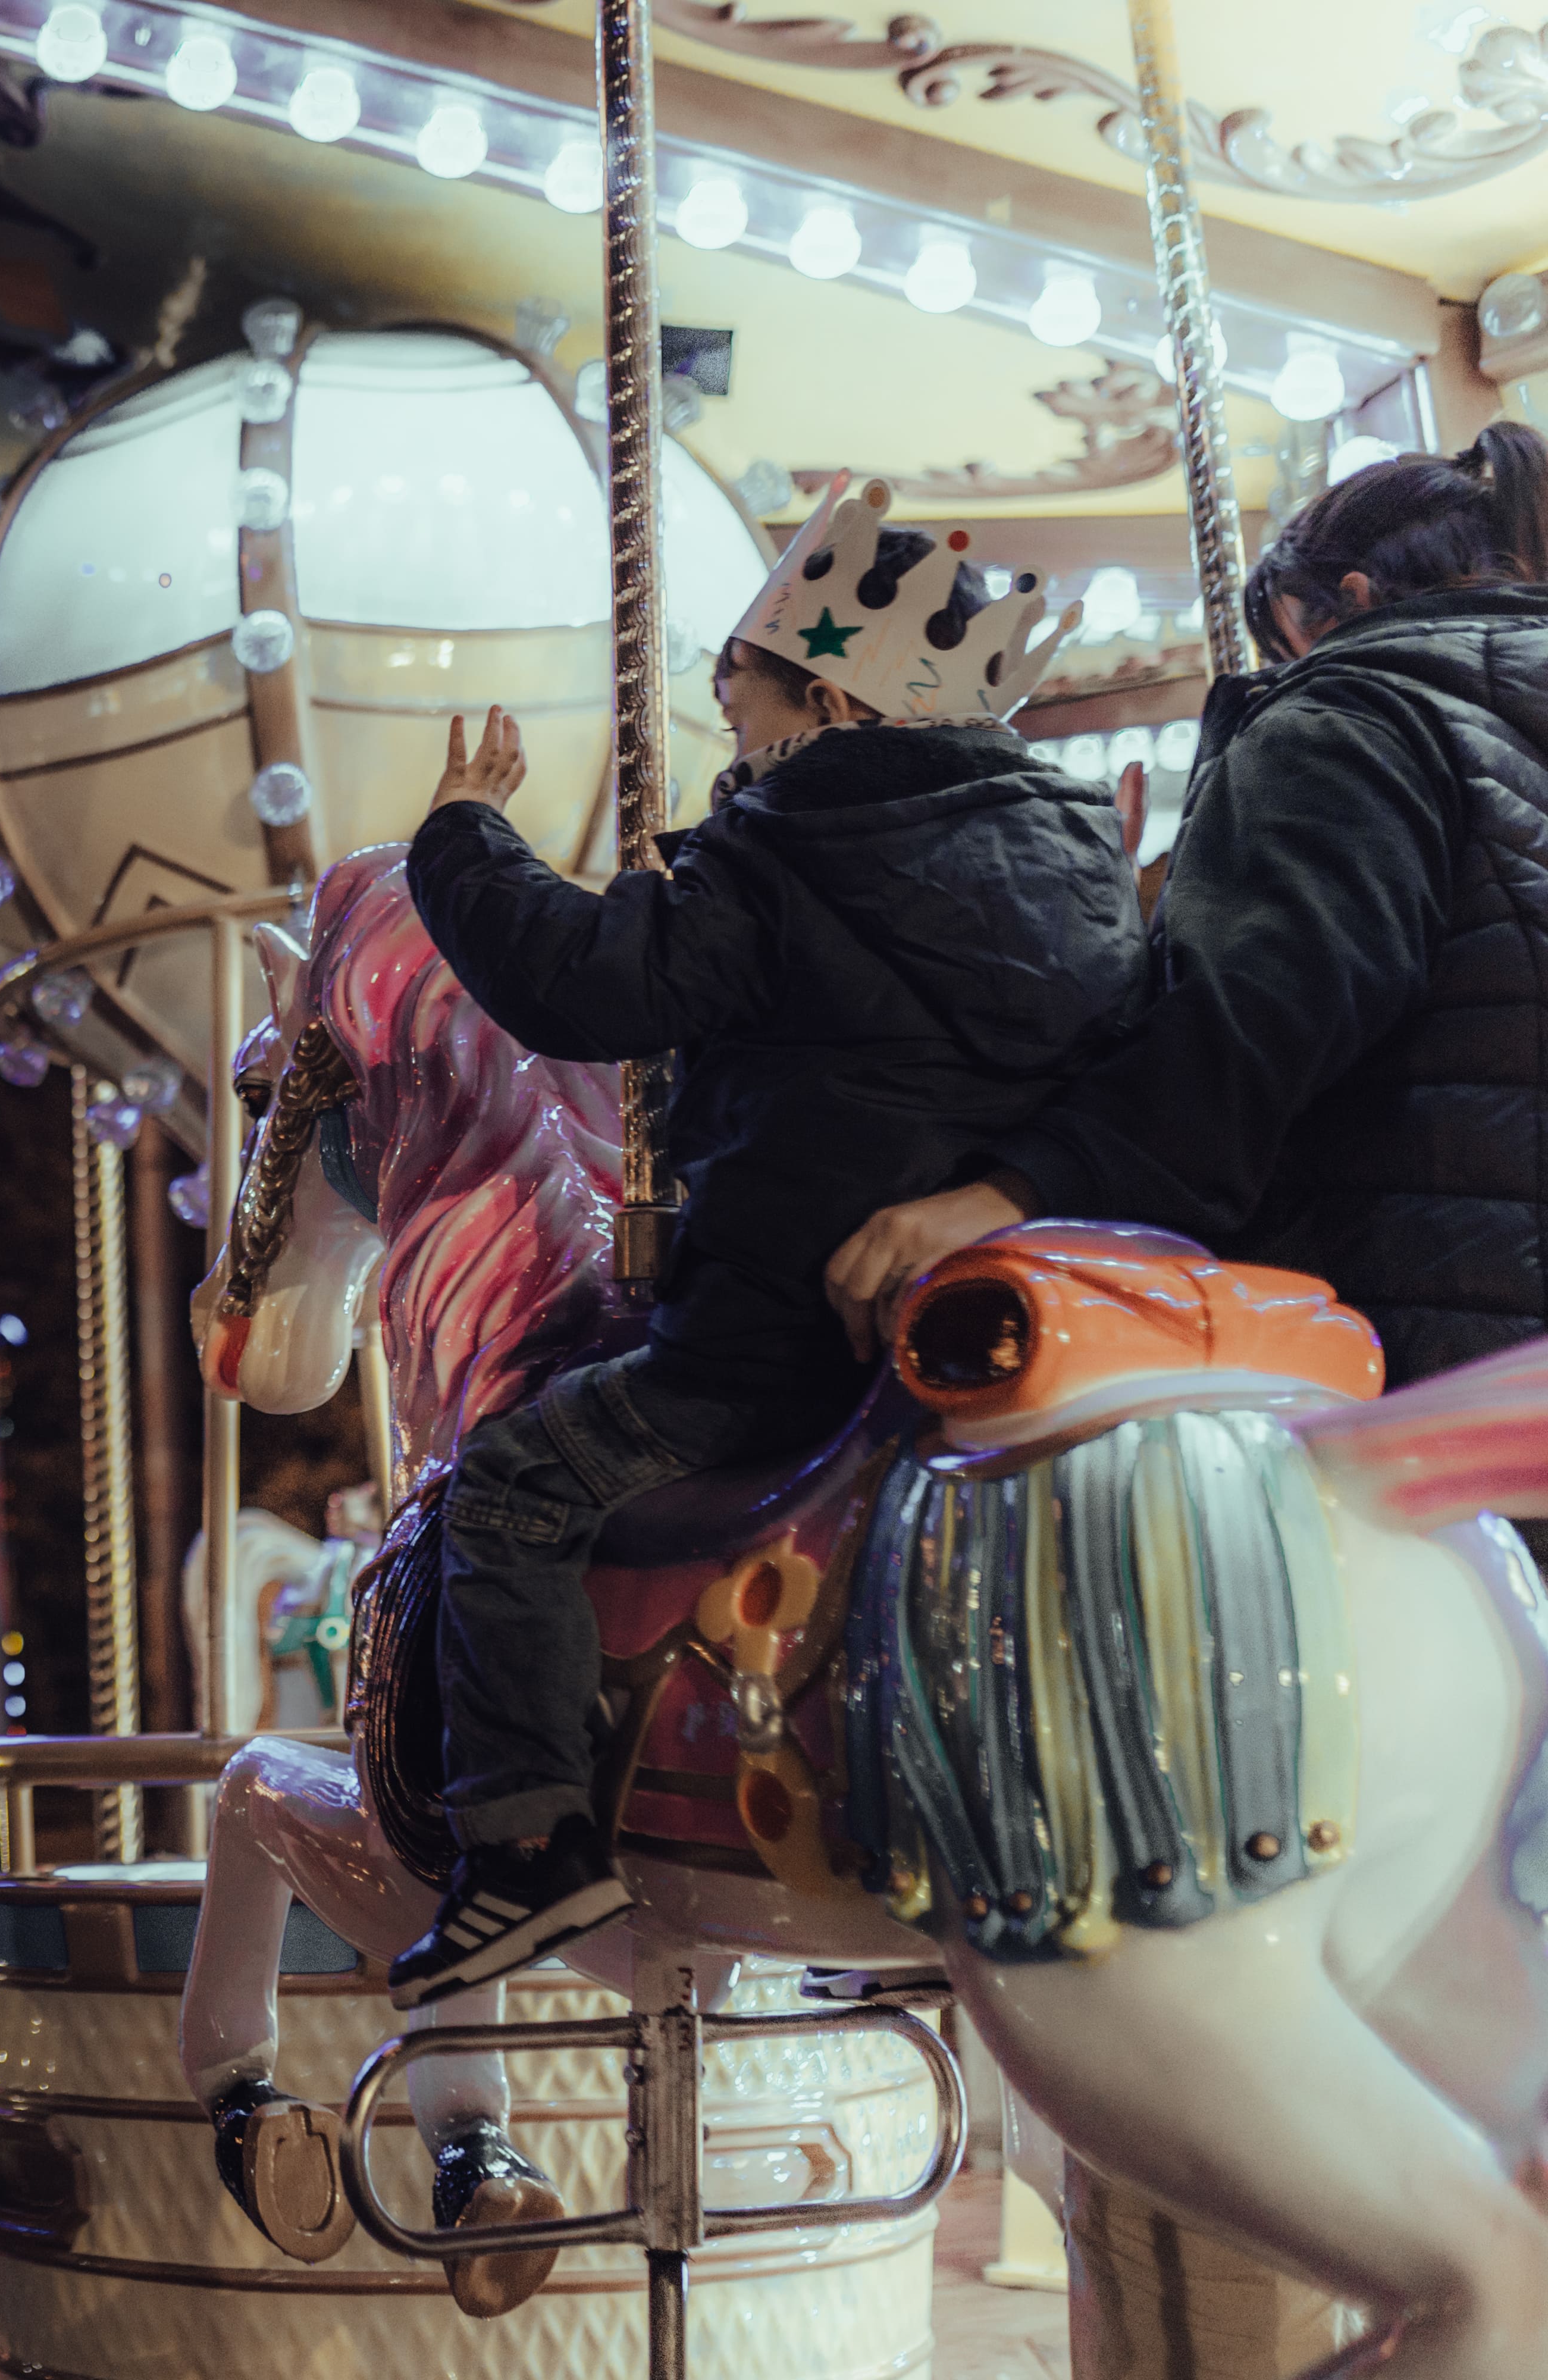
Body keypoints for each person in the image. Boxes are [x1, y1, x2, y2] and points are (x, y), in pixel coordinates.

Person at [378, 478, 1147, 2006]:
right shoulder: (1073, 853)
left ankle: (524, 1849)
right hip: (1014, 1317)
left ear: (832, 696)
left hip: (785, 1333)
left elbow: (589, 988)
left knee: (512, 1489)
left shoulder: (796, 845)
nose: (727, 738)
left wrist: (463, 842)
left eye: (737, 704)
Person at [826, 427, 1548, 1425]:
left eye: (1285, 645)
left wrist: (1021, 1189)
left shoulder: (1354, 712)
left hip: (1448, 1346)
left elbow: (1262, 1005)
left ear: (1346, 602)